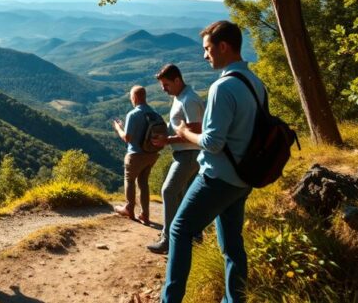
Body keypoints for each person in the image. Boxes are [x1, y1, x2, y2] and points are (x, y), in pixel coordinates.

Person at [162, 21, 263, 303]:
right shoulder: (255, 82)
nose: (205, 56)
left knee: (179, 230)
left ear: (223, 46)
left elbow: (213, 143)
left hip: (218, 177)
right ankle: (234, 300)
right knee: (232, 245)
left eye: (207, 49)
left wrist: (183, 133)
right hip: (244, 177)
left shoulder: (222, 87)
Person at [147, 64, 204, 255]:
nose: (163, 89)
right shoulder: (181, 97)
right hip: (185, 153)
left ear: (178, 80)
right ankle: (191, 236)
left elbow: (196, 131)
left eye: (166, 84)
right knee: (183, 195)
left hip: (189, 154)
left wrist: (167, 140)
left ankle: (168, 240)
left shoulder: (189, 100)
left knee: (169, 191)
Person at [111, 85, 160, 225]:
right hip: (151, 154)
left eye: (131, 97)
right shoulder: (155, 114)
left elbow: (127, 138)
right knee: (143, 183)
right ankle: (145, 214)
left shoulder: (133, 114)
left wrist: (118, 128)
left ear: (135, 97)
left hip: (136, 154)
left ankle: (129, 208)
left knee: (130, 180)